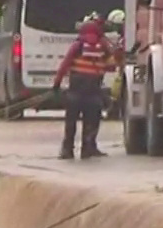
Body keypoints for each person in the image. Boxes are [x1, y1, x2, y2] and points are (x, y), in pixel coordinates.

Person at [52, 17, 121, 159]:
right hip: (93, 90)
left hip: (75, 90)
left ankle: (67, 149)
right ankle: (88, 148)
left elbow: (65, 64)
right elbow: (112, 65)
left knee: (71, 121)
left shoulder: (78, 45)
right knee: (92, 121)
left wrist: (56, 84)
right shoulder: (103, 45)